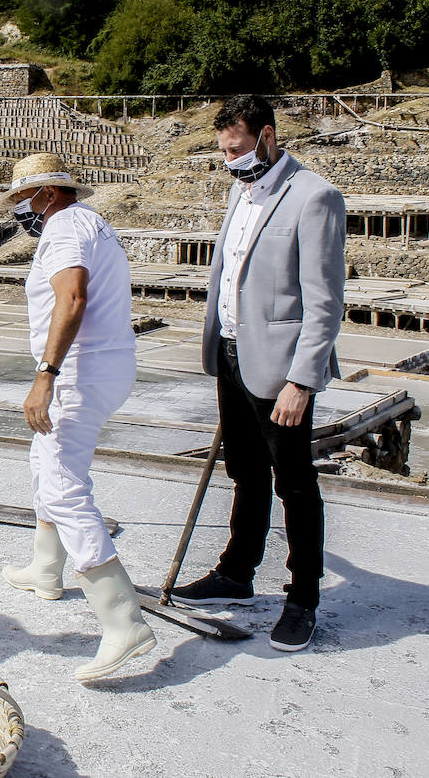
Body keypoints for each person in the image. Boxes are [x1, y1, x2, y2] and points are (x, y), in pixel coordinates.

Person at [171, 94, 346, 653]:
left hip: (280, 368)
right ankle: (238, 571)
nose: (231, 160)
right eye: (224, 152)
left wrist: (302, 380)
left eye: (239, 149)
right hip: (230, 353)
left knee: (295, 483)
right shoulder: (238, 192)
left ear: (268, 137)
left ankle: (302, 599)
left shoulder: (315, 197)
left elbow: (324, 302)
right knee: (244, 470)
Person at [0, 152, 155, 683]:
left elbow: (73, 299)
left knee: (63, 483)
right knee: (45, 460)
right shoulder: (91, 223)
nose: (20, 209)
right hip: (105, 365)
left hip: (79, 373)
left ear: (45, 193)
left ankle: (121, 619)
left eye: (23, 199)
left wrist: (46, 374)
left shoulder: (63, 228)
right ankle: (46, 567)